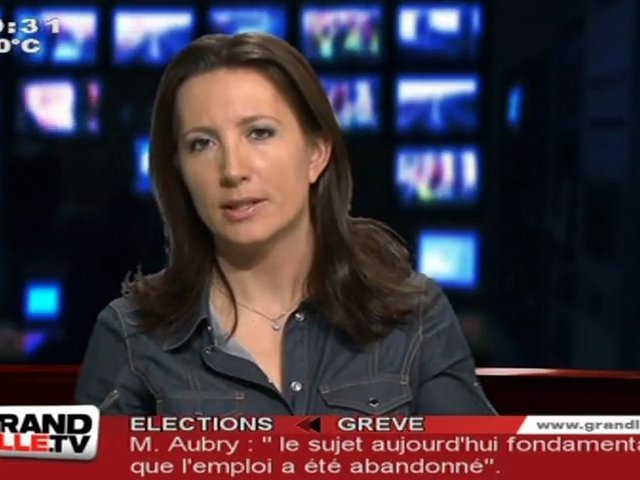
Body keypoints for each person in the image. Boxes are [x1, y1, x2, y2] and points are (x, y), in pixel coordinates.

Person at [75, 32, 496, 416]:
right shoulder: (130, 336)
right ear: (180, 171)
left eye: (259, 133)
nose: (232, 170)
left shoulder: (413, 315)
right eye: (202, 143)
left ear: (316, 153)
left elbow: (484, 460)